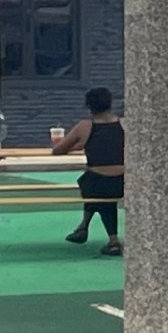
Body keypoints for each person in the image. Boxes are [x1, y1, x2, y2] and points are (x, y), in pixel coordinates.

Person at [57, 88, 124, 256]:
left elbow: (57, 150)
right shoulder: (125, 124)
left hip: (97, 184)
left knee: (93, 185)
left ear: (88, 106)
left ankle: (113, 240)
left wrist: (80, 144)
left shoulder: (84, 127)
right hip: (124, 181)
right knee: (99, 187)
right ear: (110, 104)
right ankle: (83, 226)